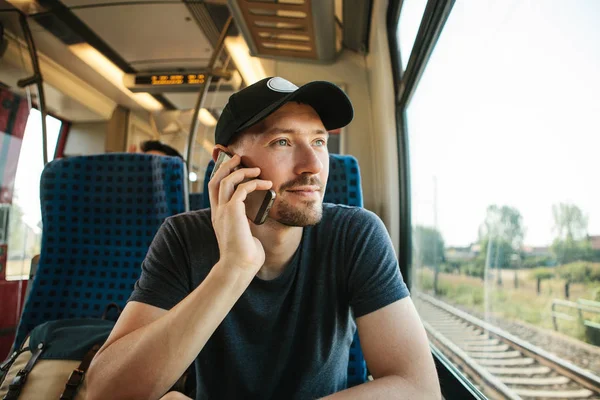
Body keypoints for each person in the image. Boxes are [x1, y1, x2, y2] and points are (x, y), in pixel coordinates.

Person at [86, 77, 441, 400]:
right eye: (283, 141)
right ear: (227, 162)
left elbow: (419, 388)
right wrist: (234, 268)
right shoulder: (183, 237)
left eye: (318, 141)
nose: (313, 165)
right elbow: (105, 391)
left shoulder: (355, 234)